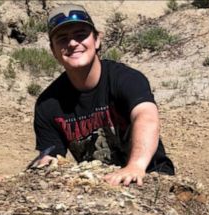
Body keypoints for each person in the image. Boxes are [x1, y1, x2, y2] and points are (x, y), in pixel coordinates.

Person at [33, 3, 174, 186]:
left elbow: (146, 117)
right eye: (62, 38)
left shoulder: (126, 79)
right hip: (99, 184)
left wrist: (135, 166)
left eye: (80, 34)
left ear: (97, 40)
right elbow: (50, 155)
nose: (73, 43)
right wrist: (30, 174)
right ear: (53, 50)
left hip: (148, 175)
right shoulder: (48, 104)